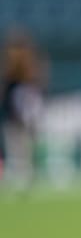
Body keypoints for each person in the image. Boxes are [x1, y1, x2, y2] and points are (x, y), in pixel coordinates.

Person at [1, 27, 47, 191]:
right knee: (16, 150)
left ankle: (27, 178)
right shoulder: (11, 76)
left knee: (25, 151)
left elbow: (35, 97)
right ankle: (19, 179)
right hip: (14, 119)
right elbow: (9, 99)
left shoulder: (30, 73)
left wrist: (32, 117)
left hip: (26, 118)